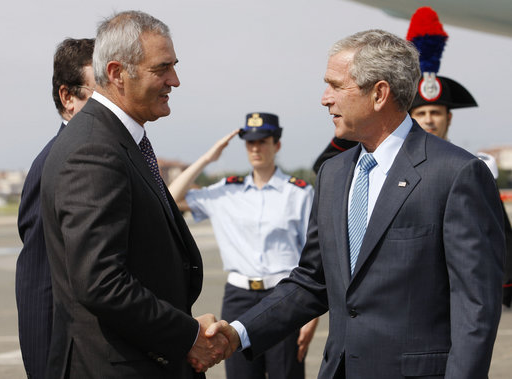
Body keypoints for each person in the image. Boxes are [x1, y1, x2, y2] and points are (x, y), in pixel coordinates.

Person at [203, 29, 505, 378]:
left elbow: (475, 307)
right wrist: (237, 333)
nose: (324, 98)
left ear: (379, 93)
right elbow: (312, 281)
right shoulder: (333, 173)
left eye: (335, 85)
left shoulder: (456, 174)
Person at [40, 11, 230, 378]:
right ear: (116, 73)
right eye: (162, 69)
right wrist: (188, 335)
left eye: (174, 66)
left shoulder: (118, 140)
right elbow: (101, 282)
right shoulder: (94, 149)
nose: (174, 80)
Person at [169, 112, 319, 379]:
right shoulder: (226, 191)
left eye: (263, 141)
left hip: (283, 295)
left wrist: (311, 315)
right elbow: (170, 198)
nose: (255, 148)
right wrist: (206, 159)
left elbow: (315, 255)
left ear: (277, 145)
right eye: (250, 142)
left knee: (287, 374)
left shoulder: (298, 193)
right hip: (238, 298)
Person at [406, 6, 512, 308]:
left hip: (460, 291)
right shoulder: (392, 166)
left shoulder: (473, 167)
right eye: (421, 113)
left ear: (448, 118)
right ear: (411, 117)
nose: (429, 120)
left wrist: (504, 286)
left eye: (435, 113)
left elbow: (498, 232)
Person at [16, 37, 95, 379]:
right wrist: (47, 367)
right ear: (68, 97)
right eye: (100, 91)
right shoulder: (55, 162)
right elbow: (39, 279)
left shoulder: (96, 155)